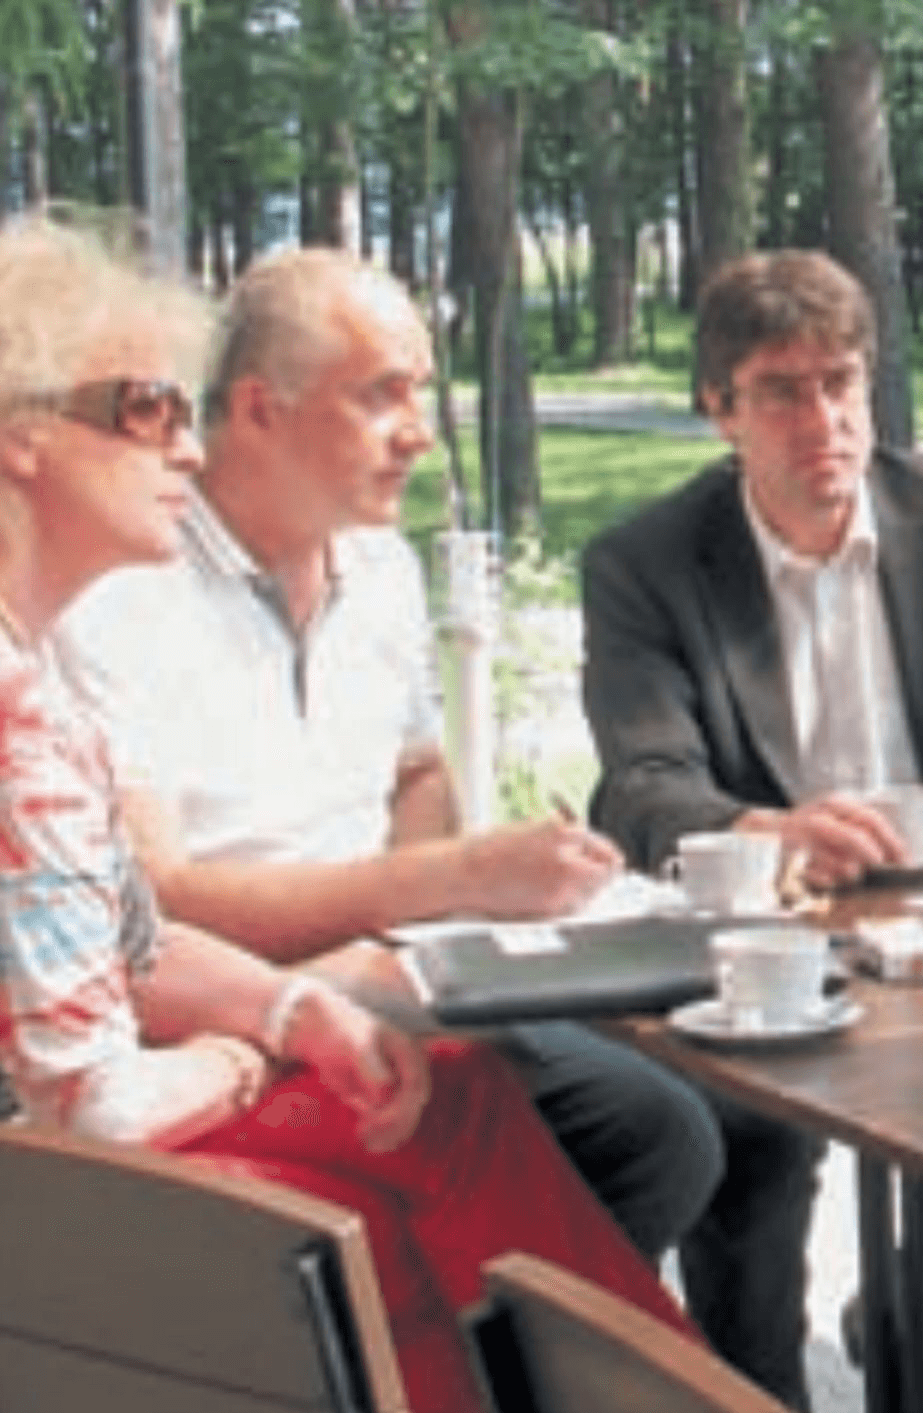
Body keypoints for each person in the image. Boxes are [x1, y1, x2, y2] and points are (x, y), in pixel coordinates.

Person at [0, 218, 687, 1413]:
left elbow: (105, 937)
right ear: (19, 439)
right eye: (149, 409)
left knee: (444, 1118)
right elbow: (94, 1103)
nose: (191, 443)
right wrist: (259, 1053)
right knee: (421, 1165)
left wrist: (290, 1006)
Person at [51, 248, 723, 1265]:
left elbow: (415, 772)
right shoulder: (124, 588)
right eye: (382, 396)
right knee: (628, 1134)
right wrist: (447, 879)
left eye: (421, 390)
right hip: (221, 1016)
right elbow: (162, 898)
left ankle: (493, 1372)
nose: (419, 430)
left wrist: (444, 924)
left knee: (667, 1129)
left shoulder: (383, 567)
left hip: (390, 983)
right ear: (259, 410)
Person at [581, 249, 923, 1413]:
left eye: (843, 381)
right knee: (749, 1165)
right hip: (773, 947)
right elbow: (640, 787)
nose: (824, 419)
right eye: (780, 390)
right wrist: (764, 828)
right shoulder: (650, 566)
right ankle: (762, 1408)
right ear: (718, 410)